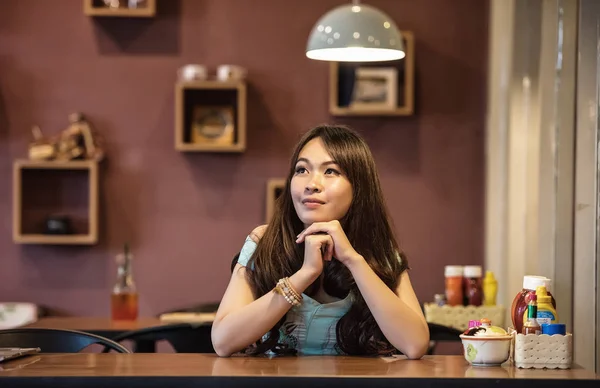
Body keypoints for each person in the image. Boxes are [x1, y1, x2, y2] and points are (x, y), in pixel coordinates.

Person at [211, 124, 429, 358]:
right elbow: (223, 342)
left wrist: (354, 261)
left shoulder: (380, 252)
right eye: (302, 170)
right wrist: (304, 275)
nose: (311, 184)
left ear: (359, 187)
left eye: (330, 171)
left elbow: (414, 345)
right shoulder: (263, 242)